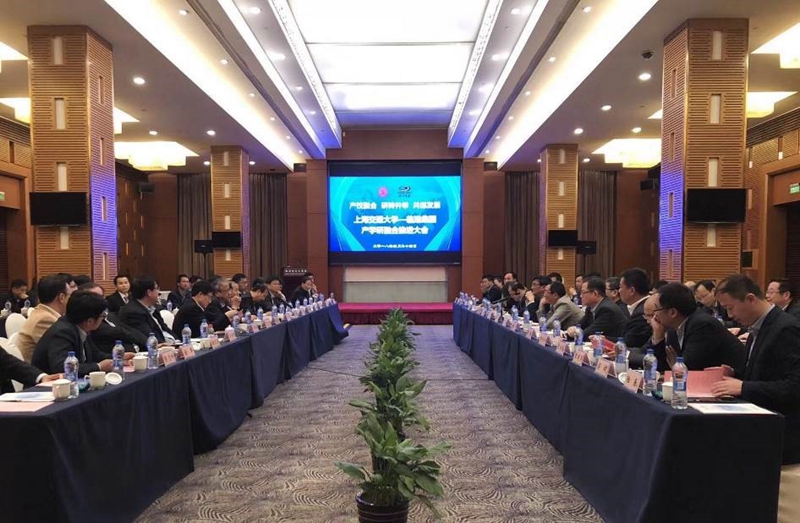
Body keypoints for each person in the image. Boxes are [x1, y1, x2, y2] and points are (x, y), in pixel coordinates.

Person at [710, 275, 800, 521]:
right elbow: (763, 373)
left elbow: (794, 387)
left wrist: (743, 387)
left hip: (783, 431)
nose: (730, 315)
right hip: (760, 423)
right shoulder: (758, 327)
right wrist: (735, 375)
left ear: (750, 299)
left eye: (730, 308)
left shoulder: (786, 329)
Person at [648, 282, 745, 374]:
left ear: (672, 312)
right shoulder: (673, 327)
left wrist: (675, 366)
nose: (654, 315)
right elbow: (662, 367)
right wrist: (658, 337)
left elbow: (688, 368)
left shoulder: (703, 325)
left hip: (731, 380)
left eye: (656, 309)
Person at [32, 290, 133, 376]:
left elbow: (94, 354)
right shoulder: (62, 332)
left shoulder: (81, 327)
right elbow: (62, 367)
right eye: (102, 316)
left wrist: (118, 358)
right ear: (89, 321)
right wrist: (98, 367)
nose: (102, 320)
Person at [78, 282, 149, 353]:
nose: (101, 300)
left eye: (102, 296)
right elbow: (121, 333)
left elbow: (128, 329)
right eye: (95, 297)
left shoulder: (108, 314)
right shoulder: (90, 323)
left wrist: (149, 342)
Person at [16, 275, 73, 363]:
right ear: (61, 297)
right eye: (70, 296)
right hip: (38, 370)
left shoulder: (41, 312)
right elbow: (60, 353)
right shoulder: (45, 320)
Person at [118, 277, 175, 343]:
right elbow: (150, 338)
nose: (159, 292)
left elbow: (165, 329)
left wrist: (178, 341)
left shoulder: (153, 308)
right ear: (149, 292)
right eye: (157, 288)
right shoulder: (133, 313)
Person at [618, 268, 652, 349]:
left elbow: (628, 343)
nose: (619, 291)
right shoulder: (642, 306)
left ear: (632, 291)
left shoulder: (642, 312)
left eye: (620, 287)